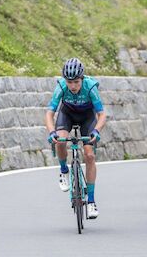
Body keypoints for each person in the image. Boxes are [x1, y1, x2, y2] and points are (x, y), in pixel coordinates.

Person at [45, 58, 106, 218]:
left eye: (76, 82)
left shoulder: (90, 87)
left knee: (90, 155)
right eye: (69, 82)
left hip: (87, 118)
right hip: (67, 115)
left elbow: (101, 114)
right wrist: (52, 132)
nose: (73, 86)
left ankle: (91, 201)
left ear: (82, 79)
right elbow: (50, 113)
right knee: (60, 140)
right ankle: (64, 170)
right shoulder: (61, 87)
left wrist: (97, 131)